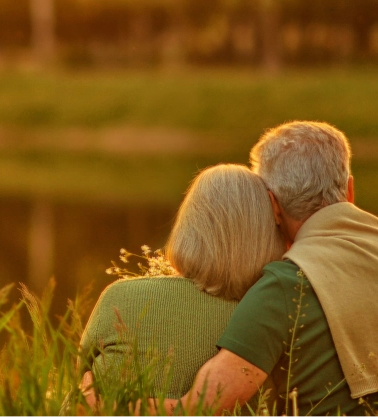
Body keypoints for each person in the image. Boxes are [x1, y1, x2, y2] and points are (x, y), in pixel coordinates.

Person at [166, 121, 378, 416]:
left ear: (272, 205)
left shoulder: (287, 283)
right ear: (349, 190)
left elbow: (200, 408)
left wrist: (126, 402)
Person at [79, 164, 284, 400]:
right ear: (266, 235)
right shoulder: (271, 318)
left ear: (188, 226)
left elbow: (82, 374)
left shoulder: (119, 297)